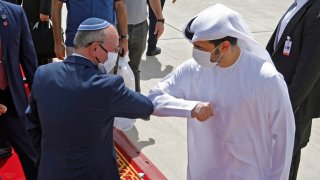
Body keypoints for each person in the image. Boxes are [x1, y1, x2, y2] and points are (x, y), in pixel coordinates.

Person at [148, 4, 295, 180]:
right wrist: (190, 107)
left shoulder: (266, 79)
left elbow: (284, 138)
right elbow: (153, 99)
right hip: (204, 173)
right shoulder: (192, 70)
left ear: (224, 46)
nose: (195, 53)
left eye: (201, 48)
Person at [25, 18, 154, 179]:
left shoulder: (43, 73)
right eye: (114, 50)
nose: (115, 55)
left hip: (51, 171)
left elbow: (31, 124)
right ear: (94, 49)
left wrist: (49, 157)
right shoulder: (108, 86)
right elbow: (146, 107)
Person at [266, 0, 320, 179]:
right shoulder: (299, 3)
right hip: (277, 101)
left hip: (292, 108)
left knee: (283, 165)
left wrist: (284, 109)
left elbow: (308, 72)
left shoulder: (317, 11)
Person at [0, 1, 39, 179]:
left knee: (32, 156)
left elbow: (28, 58)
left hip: (12, 98)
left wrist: (40, 98)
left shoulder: (15, 13)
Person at [52, 0, 128, 59]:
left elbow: (119, 4)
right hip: (76, 43)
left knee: (105, 78)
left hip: (106, 43)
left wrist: (124, 38)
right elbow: (56, 4)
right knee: (76, 78)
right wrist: (58, 42)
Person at [124, 0, 164, 92]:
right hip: (116, 26)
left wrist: (160, 19)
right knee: (113, 68)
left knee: (134, 68)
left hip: (140, 26)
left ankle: (136, 99)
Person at [22, 0, 53, 65]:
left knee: (41, 55)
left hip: (37, 17)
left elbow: (44, 16)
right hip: (28, 14)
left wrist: (45, 11)